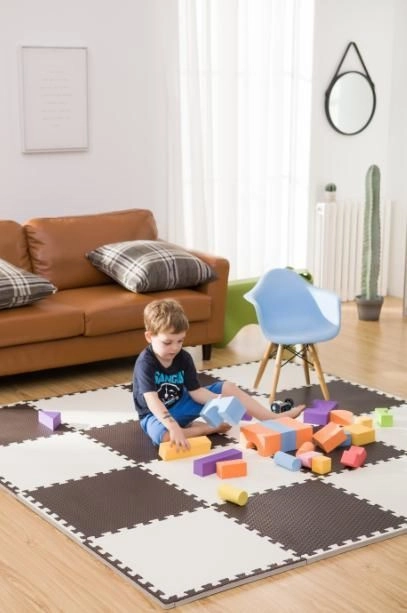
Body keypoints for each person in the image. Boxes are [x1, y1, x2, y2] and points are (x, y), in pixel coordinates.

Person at [133, 298, 305, 449]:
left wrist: (220, 400)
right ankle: (208, 429)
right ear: (149, 336)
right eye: (167, 342)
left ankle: (272, 418)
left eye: (180, 341)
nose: (175, 348)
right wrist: (172, 426)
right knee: (165, 437)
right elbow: (152, 401)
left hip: (181, 404)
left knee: (228, 388)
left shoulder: (183, 357)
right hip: (153, 415)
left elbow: (196, 392)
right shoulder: (145, 363)